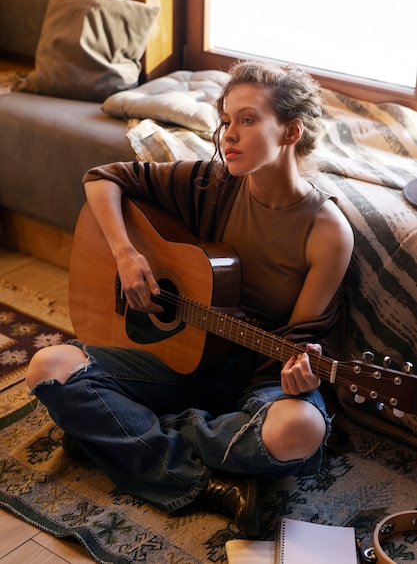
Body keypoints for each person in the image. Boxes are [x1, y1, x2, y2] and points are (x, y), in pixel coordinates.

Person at [26, 60, 354, 537]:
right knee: (49, 367)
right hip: (182, 366)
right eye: (225, 120)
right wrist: (126, 254)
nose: (228, 134)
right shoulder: (210, 184)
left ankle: (128, 435)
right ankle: (212, 484)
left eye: (247, 119)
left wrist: (301, 376)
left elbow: (298, 342)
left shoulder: (328, 232)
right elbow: (102, 177)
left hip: (259, 383)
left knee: (300, 430)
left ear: (290, 132)